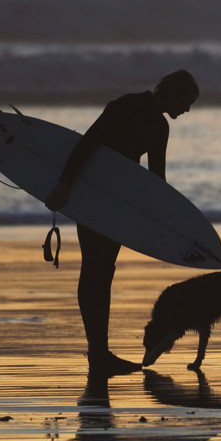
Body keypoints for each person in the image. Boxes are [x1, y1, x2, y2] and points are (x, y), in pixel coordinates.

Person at [45, 70, 200, 374]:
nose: (188, 109)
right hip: (92, 197)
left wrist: (166, 221)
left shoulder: (160, 126)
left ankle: (99, 353)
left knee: (103, 272)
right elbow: (86, 145)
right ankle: (98, 353)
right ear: (173, 92)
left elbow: (157, 181)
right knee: (94, 270)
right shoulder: (125, 106)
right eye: (187, 101)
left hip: (118, 206)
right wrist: (65, 185)